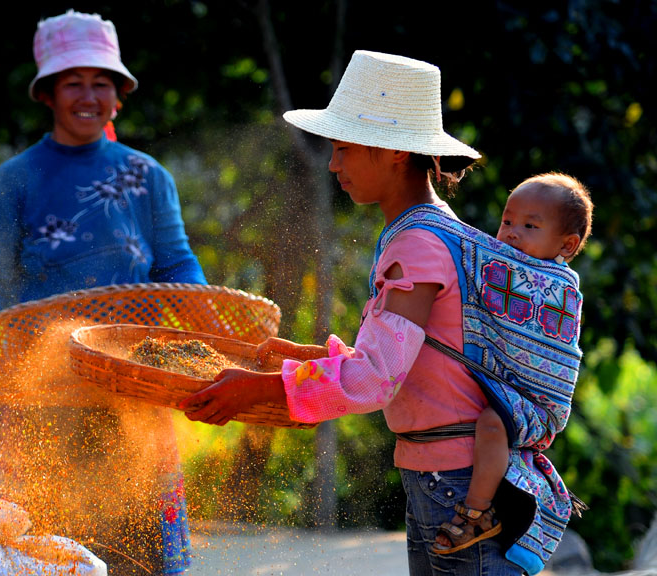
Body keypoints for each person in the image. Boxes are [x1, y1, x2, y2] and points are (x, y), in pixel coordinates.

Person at [179, 50, 530, 575]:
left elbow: (376, 379)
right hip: (449, 475)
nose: (333, 164)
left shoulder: (416, 244)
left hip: (456, 483)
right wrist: (306, 359)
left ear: (391, 151)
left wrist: (257, 388)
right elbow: (412, 361)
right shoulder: (431, 230)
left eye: (343, 148)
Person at [0, 10, 204, 575]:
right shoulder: (15, 180)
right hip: (38, 395)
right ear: (47, 94)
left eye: (103, 82)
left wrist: (196, 323)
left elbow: (176, 264)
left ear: (120, 94)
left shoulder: (147, 178)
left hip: (132, 392)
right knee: (37, 549)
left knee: (133, 551)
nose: (89, 95)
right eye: (74, 82)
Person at [432, 172, 593, 554]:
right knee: (486, 417)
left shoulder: (562, 288)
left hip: (538, 402)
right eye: (507, 221)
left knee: (490, 424)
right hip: (505, 390)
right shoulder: (498, 264)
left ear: (567, 244)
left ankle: (476, 513)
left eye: (530, 225)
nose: (512, 232)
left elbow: (552, 352)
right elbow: (464, 252)